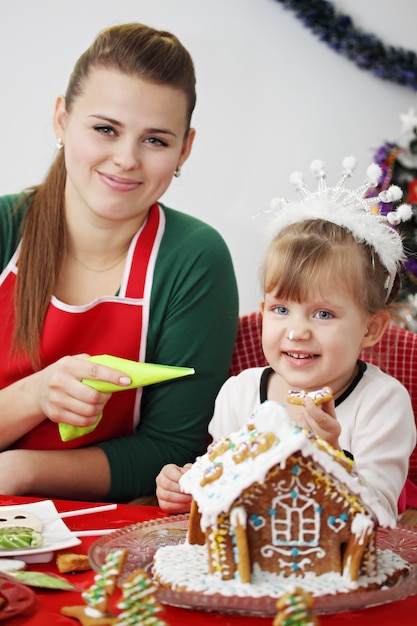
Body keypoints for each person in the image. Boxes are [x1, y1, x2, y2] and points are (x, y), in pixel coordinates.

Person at [0, 23, 239, 502]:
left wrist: (19, 472)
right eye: (105, 129)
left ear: (184, 149)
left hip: (110, 528)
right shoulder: (6, 228)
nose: (126, 158)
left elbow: (172, 449)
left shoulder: (195, 258)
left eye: (155, 140)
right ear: (62, 120)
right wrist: (35, 395)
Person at [156, 157, 416, 521]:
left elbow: (382, 520)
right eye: (281, 310)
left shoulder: (382, 403)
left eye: (323, 314)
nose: (297, 331)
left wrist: (330, 456)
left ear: (371, 329)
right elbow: (220, 491)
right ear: (262, 310)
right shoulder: (240, 394)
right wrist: (188, 488)